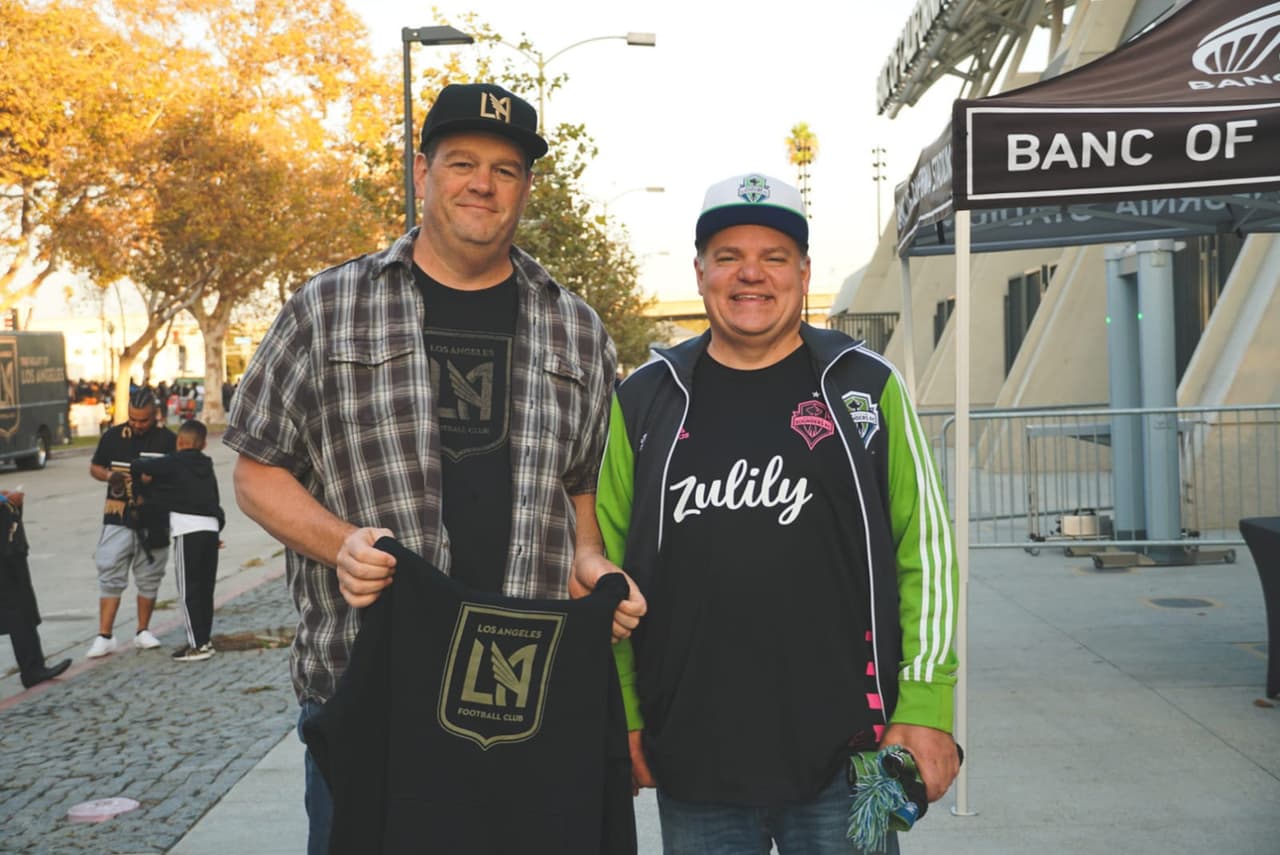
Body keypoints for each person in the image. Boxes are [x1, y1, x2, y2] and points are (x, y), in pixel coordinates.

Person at [224, 82, 644, 854]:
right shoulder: (328, 307)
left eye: (505, 169)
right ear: (422, 174)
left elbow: (580, 482)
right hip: (371, 690)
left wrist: (589, 561)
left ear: (525, 188)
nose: (481, 183)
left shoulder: (578, 328)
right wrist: (339, 542)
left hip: (528, 697)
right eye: (460, 162)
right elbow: (257, 470)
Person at [580, 173, 962, 853]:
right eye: (727, 256)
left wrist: (927, 705)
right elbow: (604, 575)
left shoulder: (864, 388)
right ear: (700, 272)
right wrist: (626, 714)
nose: (750, 273)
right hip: (693, 756)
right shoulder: (645, 400)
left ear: (804, 271)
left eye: (774, 256)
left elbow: (925, 552)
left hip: (851, 758)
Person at [86, 388, 177, 658]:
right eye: (133, 419)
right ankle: (105, 635)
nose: (138, 425)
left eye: (144, 420)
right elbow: (95, 466)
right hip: (118, 514)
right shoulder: (113, 436)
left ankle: (143, 630)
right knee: (110, 569)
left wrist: (156, 478)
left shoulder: (168, 440)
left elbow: (177, 473)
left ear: (155, 415)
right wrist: (108, 476)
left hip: (155, 516)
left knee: (150, 574)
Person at [131, 419, 225, 663]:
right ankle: (204, 639)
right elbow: (214, 498)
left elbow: (139, 466)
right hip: (211, 528)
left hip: (187, 530)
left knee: (189, 590)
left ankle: (197, 645)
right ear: (204, 444)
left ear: (179, 441)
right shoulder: (206, 465)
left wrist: (143, 482)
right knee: (206, 589)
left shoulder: (174, 461)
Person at [0, 489, 72, 689]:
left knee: (22, 605)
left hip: (9, 547)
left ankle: (34, 667)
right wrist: (4, 499)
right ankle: (32, 669)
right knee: (16, 607)